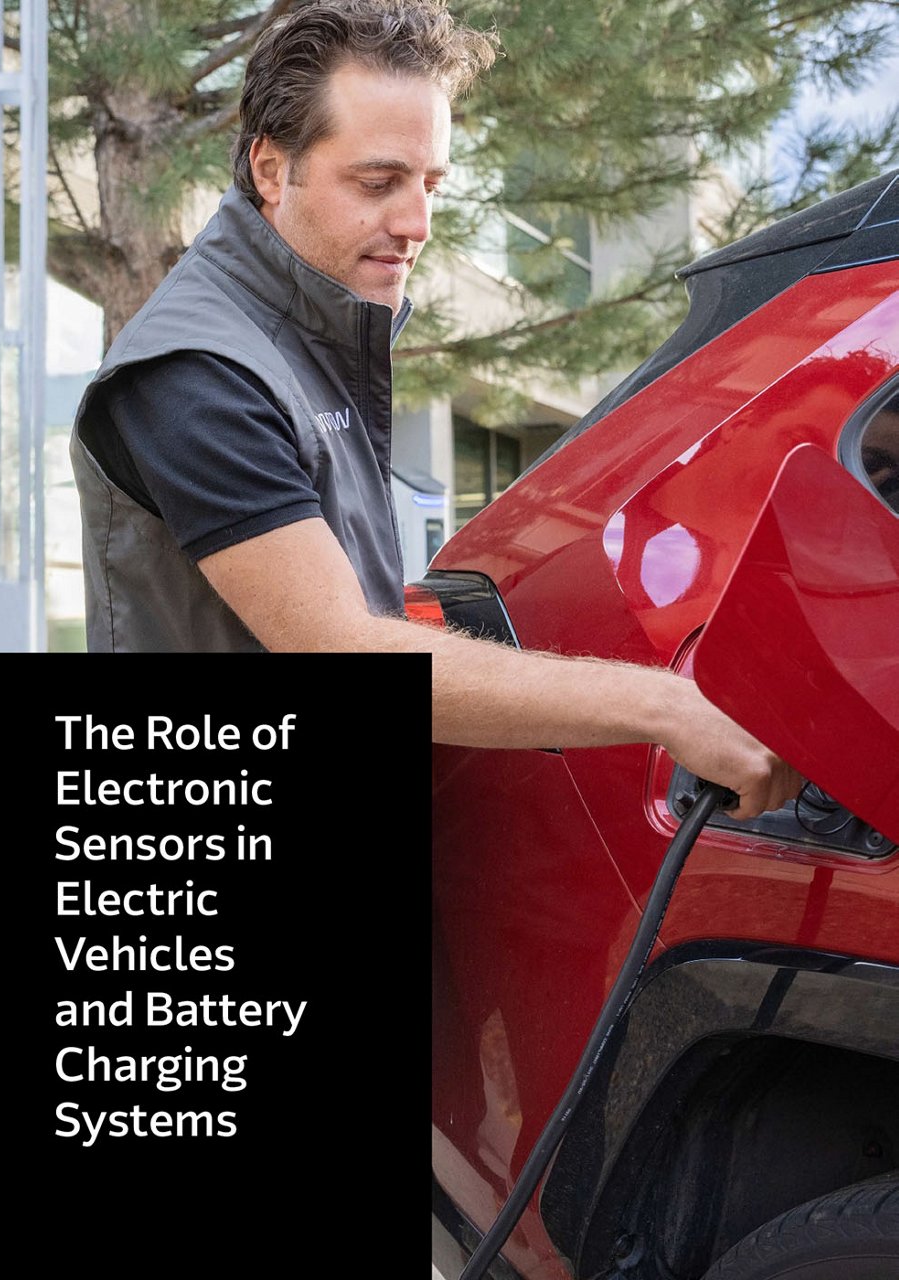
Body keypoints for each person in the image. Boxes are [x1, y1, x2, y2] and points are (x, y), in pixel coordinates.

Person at [71, 0, 801, 819]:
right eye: (377, 183)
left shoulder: (301, 336)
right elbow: (340, 646)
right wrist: (663, 706)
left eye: (431, 184)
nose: (415, 223)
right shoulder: (199, 372)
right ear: (271, 170)